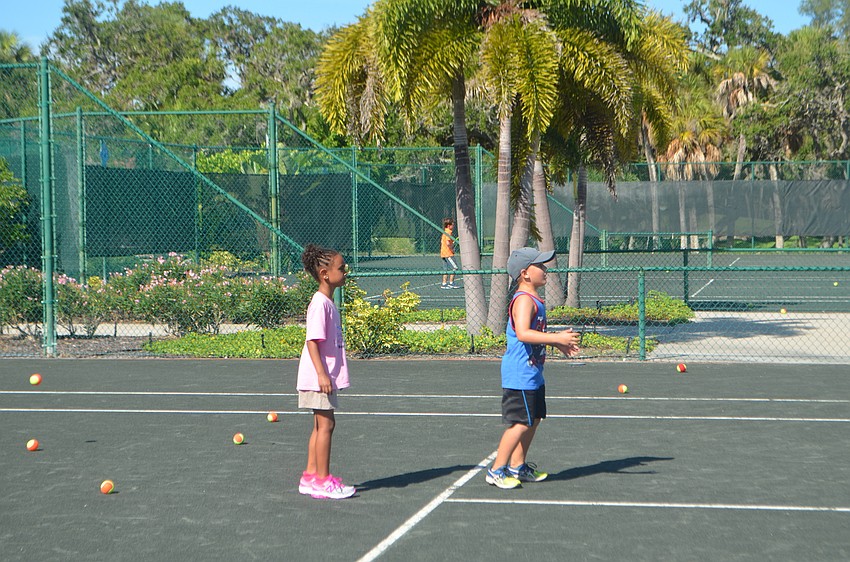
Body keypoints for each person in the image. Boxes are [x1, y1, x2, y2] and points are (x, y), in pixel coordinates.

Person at [486, 247, 581, 489]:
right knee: (519, 423)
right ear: (525, 273)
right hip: (519, 375)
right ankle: (496, 470)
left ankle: (518, 466)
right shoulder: (524, 300)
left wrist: (557, 344)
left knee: (534, 419)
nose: (545, 269)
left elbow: (535, 333)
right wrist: (556, 338)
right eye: (540, 266)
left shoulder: (535, 300)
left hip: (533, 374)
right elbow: (523, 333)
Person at [296, 244, 356, 500]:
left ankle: (310, 477)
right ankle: (322, 480)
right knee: (327, 425)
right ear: (324, 274)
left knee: (320, 425)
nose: (345, 272)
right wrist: (322, 375)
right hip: (318, 377)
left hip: (321, 376)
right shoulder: (320, 304)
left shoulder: (327, 302)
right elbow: (312, 341)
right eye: (341, 268)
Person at [440, 217, 459, 289]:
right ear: (448, 225)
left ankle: (444, 284)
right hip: (448, 254)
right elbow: (448, 243)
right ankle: (451, 283)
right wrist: (452, 248)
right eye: (452, 225)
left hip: (443, 253)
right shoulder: (448, 232)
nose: (453, 226)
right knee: (455, 267)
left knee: (445, 269)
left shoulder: (444, 231)